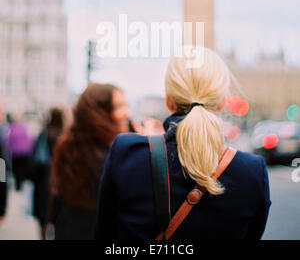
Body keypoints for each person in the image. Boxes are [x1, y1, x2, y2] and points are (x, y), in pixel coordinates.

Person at [94, 47, 272, 240]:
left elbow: (104, 235)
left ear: (169, 101)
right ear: (222, 102)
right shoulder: (253, 171)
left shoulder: (126, 153)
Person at [50, 82, 161, 240]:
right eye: (119, 107)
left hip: (68, 230)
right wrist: (147, 145)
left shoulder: (69, 146)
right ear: (98, 113)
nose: (127, 113)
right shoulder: (109, 155)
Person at [28, 108, 65, 238]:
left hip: (42, 184)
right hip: (60, 187)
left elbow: (32, 163)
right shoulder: (65, 136)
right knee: (58, 221)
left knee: (43, 221)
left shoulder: (42, 135)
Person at [4, 113, 33, 191]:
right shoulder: (23, 127)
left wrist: (8, 149)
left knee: (16, 169)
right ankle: (21, 182)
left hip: (15, 153)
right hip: (24, 153)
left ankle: (18, 183)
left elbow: (7, 141)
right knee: (21, 168)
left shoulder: (11, 128)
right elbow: (30, 140)